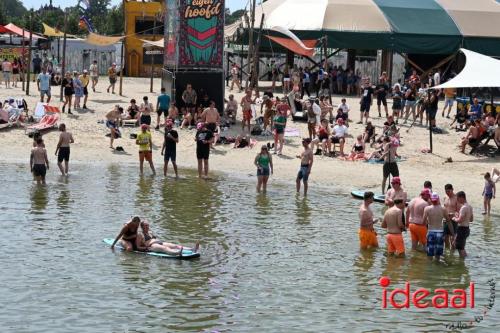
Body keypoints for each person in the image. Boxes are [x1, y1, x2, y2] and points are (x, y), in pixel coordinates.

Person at [423, 193, 450, 261]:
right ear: (438, 199)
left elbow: (423, 222)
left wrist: (427, 227)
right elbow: (448, 221)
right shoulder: (443, 208)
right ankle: (437, 266)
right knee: (438, 254)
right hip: (440, 232)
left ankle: (430, 268)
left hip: (431, 232)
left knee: (430, 253)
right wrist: (453, 232)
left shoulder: (427, 208)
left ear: (431, 200)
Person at [452, 191, 473, 258]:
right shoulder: (469, 206)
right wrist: (458, 216)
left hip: (462, 229)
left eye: (458, 199)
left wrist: (454, 218)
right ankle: (451, 256)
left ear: (462, 198)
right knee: (454, 244)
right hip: (466, 229)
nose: (457, 201)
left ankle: (463, 262)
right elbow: (471, 219)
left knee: (460, 248)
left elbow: (460, 221)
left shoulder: (463, 208)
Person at [443, 184, 459, 249]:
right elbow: (444, 208)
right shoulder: (445, 197)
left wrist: (453, 214)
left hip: (453, 220)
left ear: (452, 189)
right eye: (446, 191)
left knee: (452, 238)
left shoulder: (456, 198)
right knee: (445, 238)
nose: (447, 193)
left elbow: (459, 210)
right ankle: (447, 255)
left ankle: (452, 253)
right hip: (445, 220)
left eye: (449, 191)